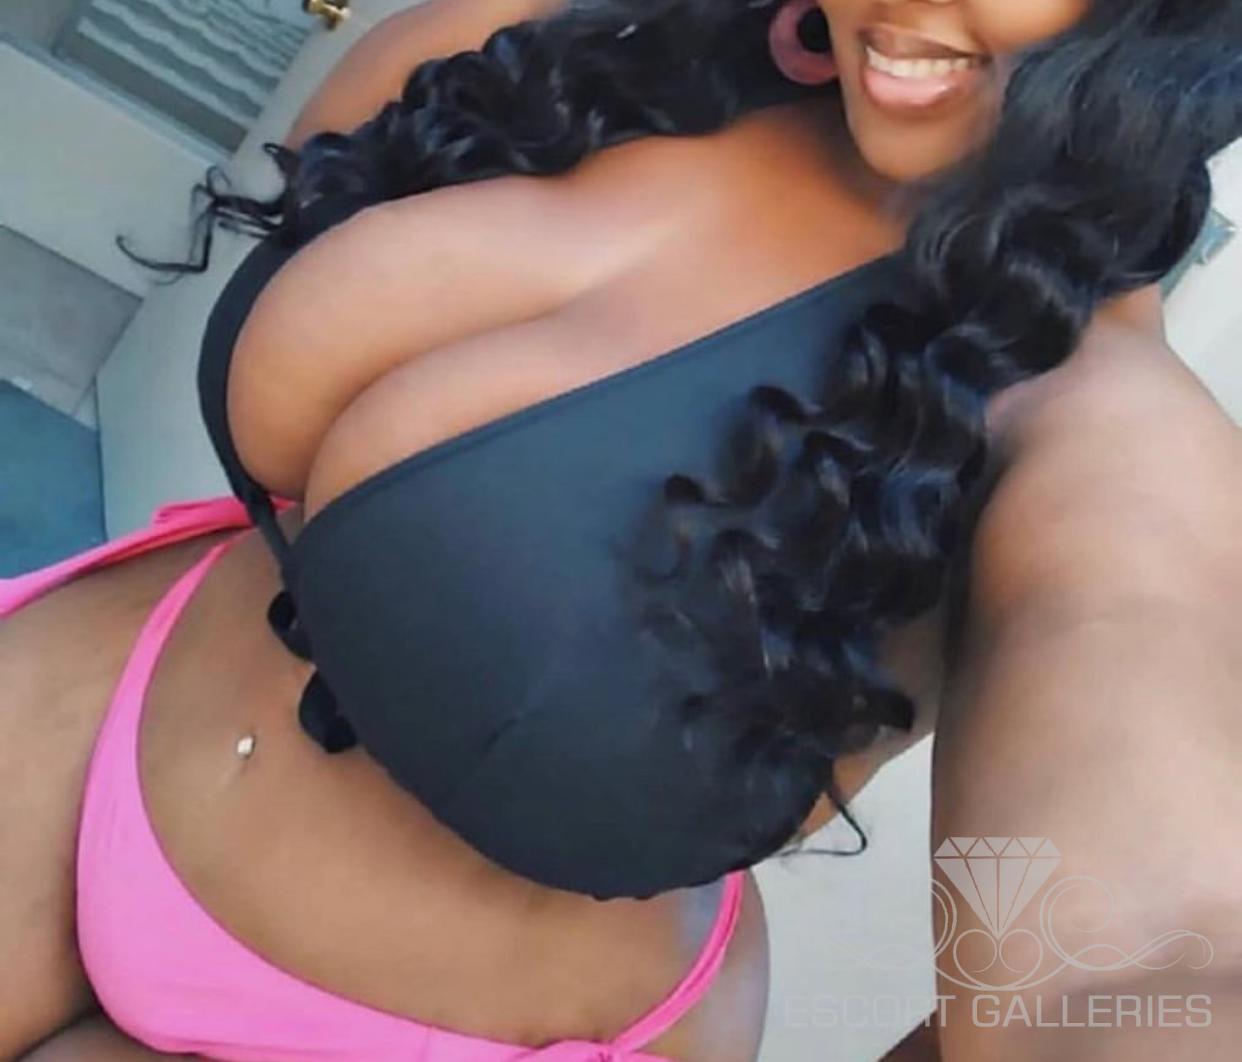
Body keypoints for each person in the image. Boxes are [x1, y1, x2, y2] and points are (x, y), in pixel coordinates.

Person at [2, 0, 1239, 1058]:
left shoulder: (1095, 420)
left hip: (393, 1022)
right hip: (110, 701)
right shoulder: (643, 41)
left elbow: (1144, 953)